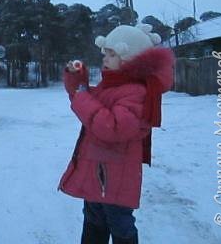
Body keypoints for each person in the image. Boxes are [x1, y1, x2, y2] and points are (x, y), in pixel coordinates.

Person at [58, 24, 175, 244]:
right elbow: (90, 102)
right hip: (99, 170)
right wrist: (77, 81)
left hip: (115, 174)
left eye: (112, 54)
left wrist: (82, 95)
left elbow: (113, 127)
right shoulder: (111, 86)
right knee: (93, 220)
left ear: (130, 60)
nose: (105, 58)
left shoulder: (137, 91)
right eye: (106, 53)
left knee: (120, 224)